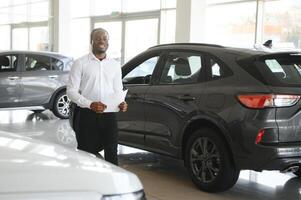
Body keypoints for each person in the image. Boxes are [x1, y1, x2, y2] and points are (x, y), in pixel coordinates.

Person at [67, 28, 127, 165]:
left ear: (108, 43)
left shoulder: (114, 65)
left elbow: (118, 90)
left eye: (105, 38)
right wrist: (90, 104)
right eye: (98, 38)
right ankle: (87, 183)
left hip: (109, 116)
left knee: (112, 153)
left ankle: (112, 183)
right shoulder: (80, 63)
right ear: (91, 41)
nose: (102, 41)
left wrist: (122, 103)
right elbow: (70, 91)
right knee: (86, 155)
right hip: (87, 115)